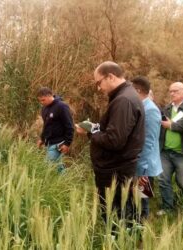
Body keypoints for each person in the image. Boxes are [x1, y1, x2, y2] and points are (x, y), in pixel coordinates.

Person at [76, 61, 145, 223]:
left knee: (116, 217)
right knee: (124, 213)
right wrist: (96, 127)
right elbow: (116, 131)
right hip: (118, 169)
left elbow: (114, 140)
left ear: (111, 77)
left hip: (116, 172)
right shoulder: (124, 96)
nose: (98, 88)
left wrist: (90, 132)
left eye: (98, 83)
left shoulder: (123, 101)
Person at [157, 82, 183, 215]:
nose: (172, 93)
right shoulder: (167, 108)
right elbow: (162, 125)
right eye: (170, 91)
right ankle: (168, 208)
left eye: (175, 91)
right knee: (163, 180)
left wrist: (172, 125)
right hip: (166, 152)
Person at [131, 76, 163, 220]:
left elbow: (148, 142)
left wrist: (142, 170)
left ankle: (142, 230)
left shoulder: (150, 110)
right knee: (136, 198)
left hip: (144, 164)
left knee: (142, 199)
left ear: (137, 90)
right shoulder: (141, 106)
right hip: (139, 162)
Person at [37, 87, 74, 173]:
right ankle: (66, 183)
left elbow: (69, 126)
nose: (42, 103)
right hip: (49, 142)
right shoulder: (44, 109)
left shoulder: (62, 106)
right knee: (58, 167)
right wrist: (42, 139)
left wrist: (67, 143)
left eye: (43, 100)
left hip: (59, 143)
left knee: (48, 166)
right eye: (40, 101)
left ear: (50, 95)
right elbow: (46, 126)